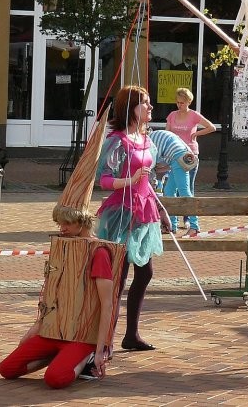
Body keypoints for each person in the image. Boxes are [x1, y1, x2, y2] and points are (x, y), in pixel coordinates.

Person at [0, 109, 120, 388]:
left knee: (56, 379)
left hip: (81, 335)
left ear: (82, 222)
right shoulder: (64, 248)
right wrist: (37, 326)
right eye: (60, 223)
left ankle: (82, 358)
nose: (62, 228)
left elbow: (107, 304)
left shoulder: (98, 252)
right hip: (55, 330)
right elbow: (54, 293)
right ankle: (54, 357)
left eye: (67, 223)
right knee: (8, 369)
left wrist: (101, 348)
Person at [95, 85, 168, 352]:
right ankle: (105, 339)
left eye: (149, 102)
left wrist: (160, 209)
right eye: (144, 103)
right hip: (122, 213)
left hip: (144, 211)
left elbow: (148, 181)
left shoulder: (146, 139)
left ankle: (131, 335)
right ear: (130, 108)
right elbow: (103, 179)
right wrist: (130, 180)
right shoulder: (117, 140)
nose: (150, 107)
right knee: (119, 277)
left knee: (145, 272)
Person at [166, 87, 216, 236]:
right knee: (169, 190)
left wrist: (196, 133)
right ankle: (172, 224)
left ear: (188, 102)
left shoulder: (193, 115)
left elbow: (212, 127)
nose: (179, 105)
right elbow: (167, 133)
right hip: (174, 155)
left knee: (185, 189)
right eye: (177, 102)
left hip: (189, 155)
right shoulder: (172, 115)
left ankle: (193, 224)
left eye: (182, 102)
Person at [148, 128, 198, 237]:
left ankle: (194, 226)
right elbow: (164, 165)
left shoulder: (148, 142)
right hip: (184, 156)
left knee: (184, 192)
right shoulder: (157, 135)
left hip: (178, 157)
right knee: (169, 190)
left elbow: (152, 167)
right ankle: (172, 226)